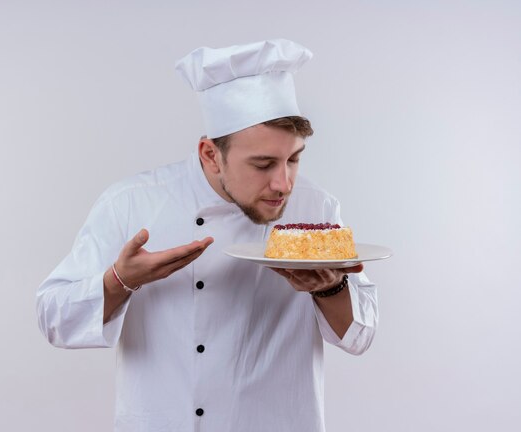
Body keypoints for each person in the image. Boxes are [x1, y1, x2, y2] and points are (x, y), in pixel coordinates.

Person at [36, 39, 378, 432]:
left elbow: (360, 336)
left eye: (293, 159)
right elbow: (53, 319)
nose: (283, 183)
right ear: (210, 154)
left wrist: (330, 288)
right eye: (263, 164)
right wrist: (121, 281)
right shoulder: (131, 204)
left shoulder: (316, 208)